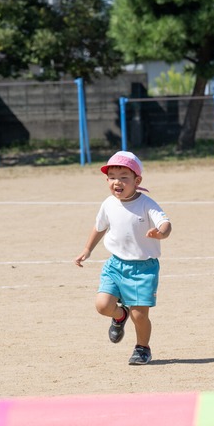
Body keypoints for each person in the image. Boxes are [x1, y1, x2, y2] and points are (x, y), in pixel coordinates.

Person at [74, 151, 172, 366]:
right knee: (102, 305)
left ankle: (142, 348)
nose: (117, 182)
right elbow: (99, 227)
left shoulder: (147, 204)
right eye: (112, 177)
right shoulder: (108, 204)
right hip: (115, 265)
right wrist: (87, 249)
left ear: (137, 181)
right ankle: (119, 316)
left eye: (123, 177)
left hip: (143, 268)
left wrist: (161, 232)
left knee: (139, 315)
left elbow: (165, 223)